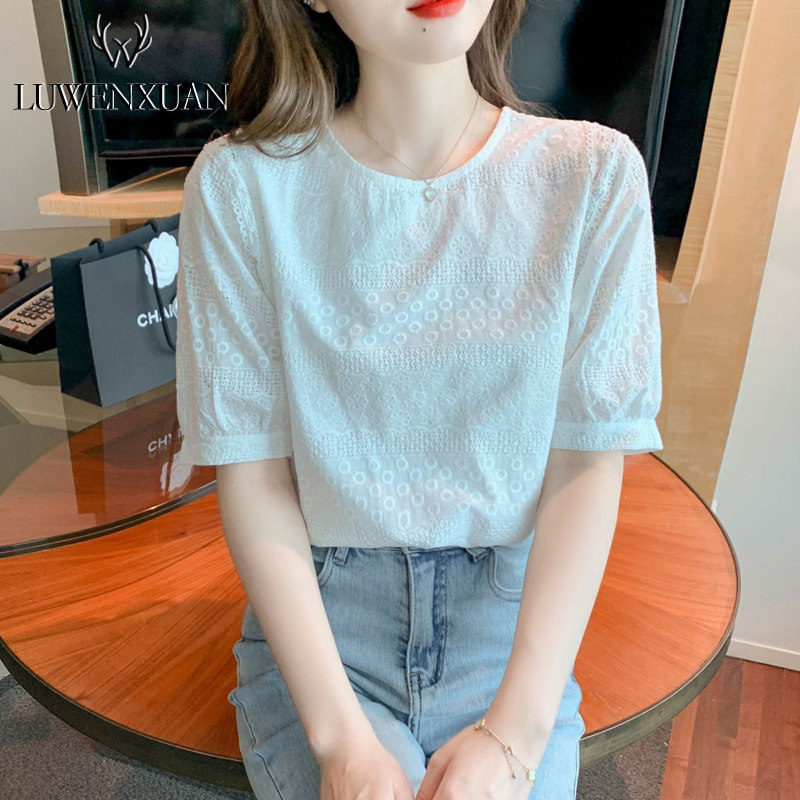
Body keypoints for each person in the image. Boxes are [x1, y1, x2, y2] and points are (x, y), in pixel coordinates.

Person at [174, 0, 664, 798]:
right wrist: (342, 745)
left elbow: (586, 463)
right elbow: (253, 474)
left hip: (505, 638)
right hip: (324, 636)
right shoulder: (240, 185)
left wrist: (515, 733)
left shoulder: (592, 175)